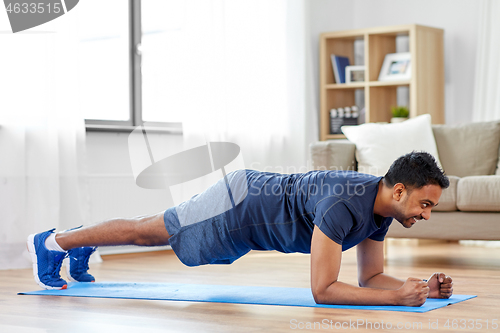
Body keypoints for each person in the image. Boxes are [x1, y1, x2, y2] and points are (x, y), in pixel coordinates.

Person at [27, 151, 453, 306]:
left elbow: (370, 277)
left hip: (251, 207)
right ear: (399, 190)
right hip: (236, 206)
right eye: (425, 204)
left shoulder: (381, 210)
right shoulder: (344, 205)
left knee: (151, 228)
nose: (427, 214)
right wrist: (395, 301)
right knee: (148, 231)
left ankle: (79, 242)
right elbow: (323, 291)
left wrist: (421, 289)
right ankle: (54, 241)